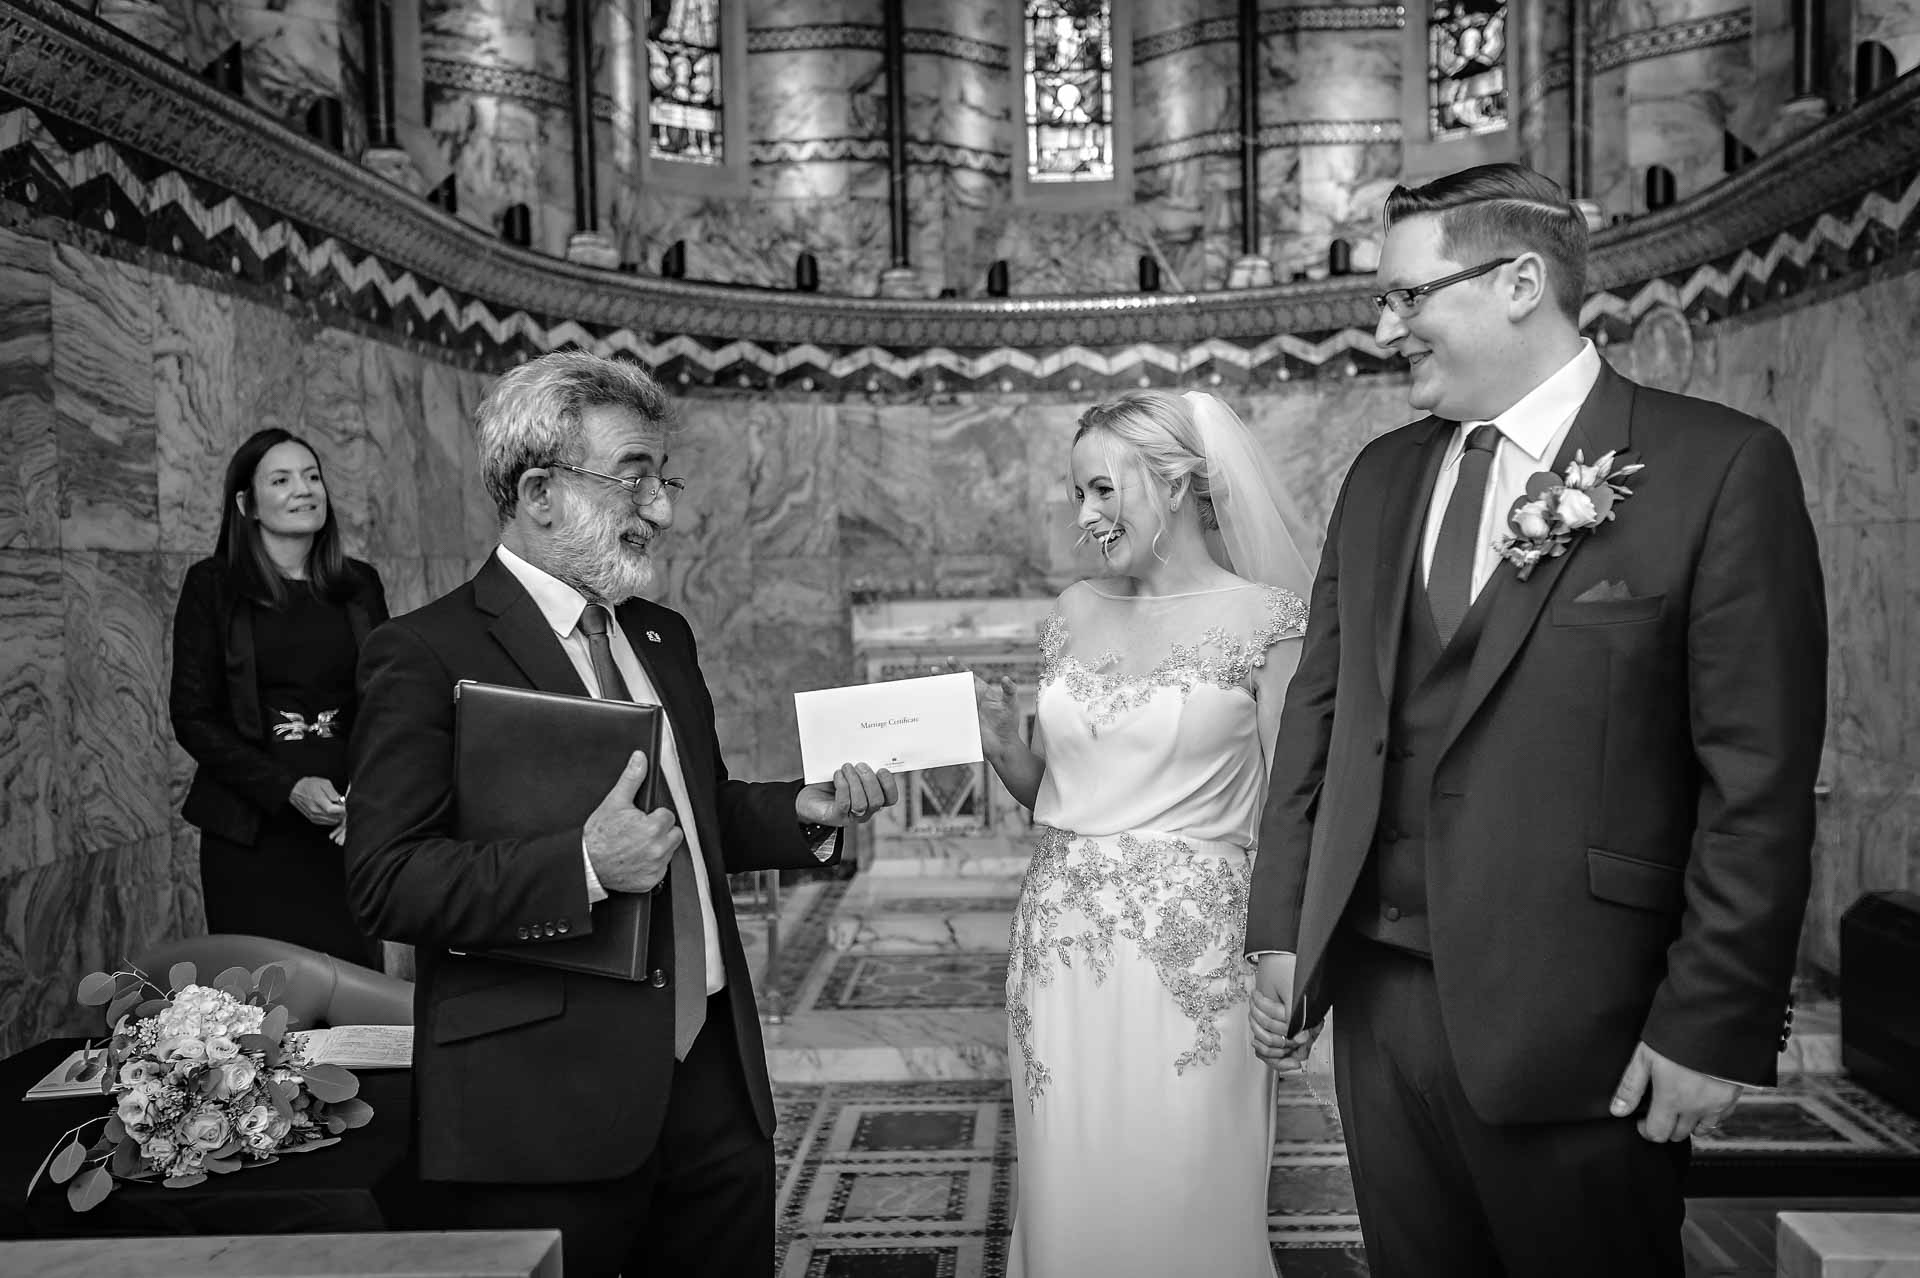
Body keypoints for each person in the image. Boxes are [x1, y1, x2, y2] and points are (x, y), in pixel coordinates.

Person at [1244, 163, 1827, 1277]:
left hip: (1587, 1015)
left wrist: (1711, 1022)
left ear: (1520, 281)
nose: (1385, 324)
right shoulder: (1379, 478)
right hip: (1379, 1005)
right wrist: (1285, 927)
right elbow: (1321, 714)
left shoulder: (1718, 468)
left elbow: (1754, 780)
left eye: (1409, 294)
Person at [344, 350, 898, 1278]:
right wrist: (585, 866)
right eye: (634, 479)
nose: (664, 510)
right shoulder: (425, 653)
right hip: (546, 1103)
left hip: (713, 1073)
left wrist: (805, 810)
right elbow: (385, 879)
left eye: (663, 479)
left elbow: (697, 809)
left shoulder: (660, 635)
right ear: (539, 490)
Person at [975, 390, 1313, 1277]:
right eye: (1077, 494)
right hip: (1056, 953)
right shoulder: (1075, 611)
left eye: (1100, 490)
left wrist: (1292, 959)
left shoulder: (1267, 621)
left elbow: (1296, 811)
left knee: (1184, 1190)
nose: (1085, 517)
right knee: (1069, 1190)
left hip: (1194, 960)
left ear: (1172, 483)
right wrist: (995, 743)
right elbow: (1052, 791)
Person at [169, 427, 387, 967]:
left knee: (353, 996)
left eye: (312, 477)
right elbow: (193, 717)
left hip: (344, 826)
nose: (304, 490)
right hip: (251, 831)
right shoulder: (213, 585)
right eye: (282, 479)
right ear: (248, 503)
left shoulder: (358, 583)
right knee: (264, 1003)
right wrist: (288, 788)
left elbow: (387, 697)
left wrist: (367, 787)